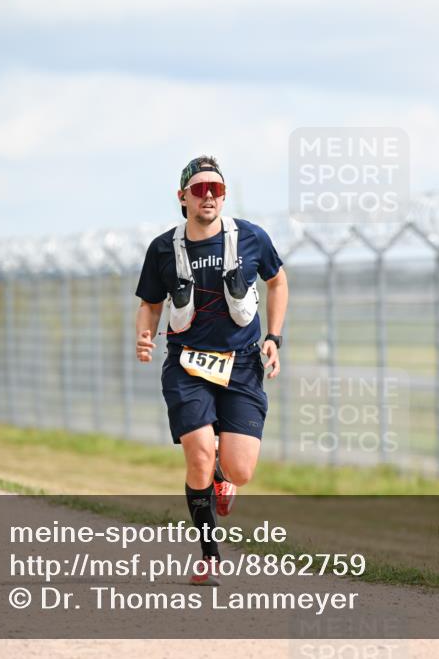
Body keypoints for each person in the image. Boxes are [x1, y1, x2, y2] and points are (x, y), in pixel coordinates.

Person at [134, 155, 288, 586]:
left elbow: (277, 281)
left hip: (241, 366)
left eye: (215, 189)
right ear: (182, 198)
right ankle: (210, 555)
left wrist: (274, 338)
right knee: (199, 453)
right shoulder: (163, 248)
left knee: (240, 470)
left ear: (224, 196)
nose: (208, 196)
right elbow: (149, 303)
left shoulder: (251, 238)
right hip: (187, 364)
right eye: (199, 189)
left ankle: (224, 475)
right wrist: (145, 336)